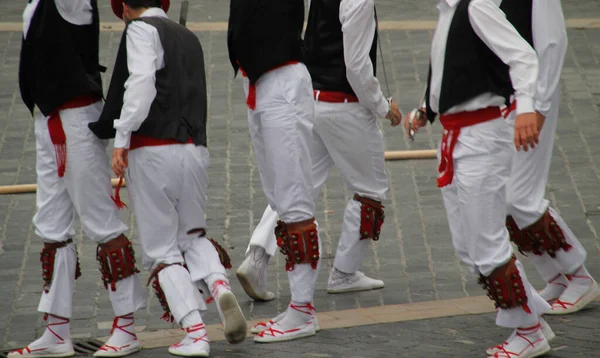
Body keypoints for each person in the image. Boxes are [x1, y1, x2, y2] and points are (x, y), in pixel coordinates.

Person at [88, 0, 247, 356]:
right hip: (194, 150)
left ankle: (195, 332)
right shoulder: (188, 37)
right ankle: (219, 285)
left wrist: (123, 137)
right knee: (192, 235)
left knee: (161, 250)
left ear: (127, 7)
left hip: (153, 151)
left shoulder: (141, 30)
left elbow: (141, 84)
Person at [236, 0, 402, 319]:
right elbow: (356, 67)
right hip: (346, 106)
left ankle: (257, 255)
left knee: (298, 184)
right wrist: (383, 106)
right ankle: (344, 272)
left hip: (313, 98)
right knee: (371, 191)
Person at [406, 1, 555, 357]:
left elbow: (523, 56)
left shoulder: (476, 7)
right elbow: (451, 72)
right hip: (458, 137)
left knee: (485, 241)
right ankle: (532, 315)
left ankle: (528, 330)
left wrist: (526, 106)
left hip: (481, 138)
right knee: (468, 245)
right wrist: (427, 110)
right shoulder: (447, 13)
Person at [10, 1, 147, 357]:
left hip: (75, 120)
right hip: (48, 120)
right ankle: (57, 331)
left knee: (101, 219)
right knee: (52, 225)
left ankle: (127, 327)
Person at [228, 0, 322, 343]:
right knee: (280, 197)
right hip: (257, 82)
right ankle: (299, 307)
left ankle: (302, 310)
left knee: (294, 197)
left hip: (282, 80)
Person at [503, 0, 600, 315]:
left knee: (521, 196)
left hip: (530, 102)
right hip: (503, 98)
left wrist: (539, 107)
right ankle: (556, 275)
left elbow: (552, 43)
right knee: (504, 197)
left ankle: (578, 274)